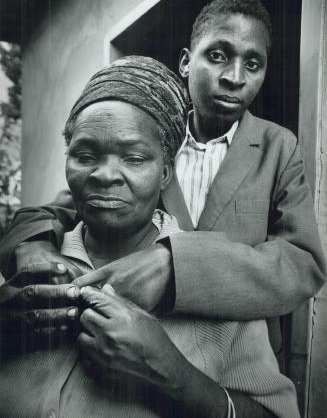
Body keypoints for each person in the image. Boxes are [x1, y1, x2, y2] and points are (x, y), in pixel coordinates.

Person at [0, 0, 325, 358]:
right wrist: (31, 244)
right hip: (130, 339)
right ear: (186, 63)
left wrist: (176, 265)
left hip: (237, 356)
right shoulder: (147, 141)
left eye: (253, 64)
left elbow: (302, 262)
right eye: (217, 55)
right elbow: (62, 209)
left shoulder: (277, 146)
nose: (235, 78)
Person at [0, 56, 299, 418]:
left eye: (135, 158)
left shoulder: (222, 292)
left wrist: (176, 379)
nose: (104, 175)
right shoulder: (24, 267)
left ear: (165, 173)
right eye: (84, 155)